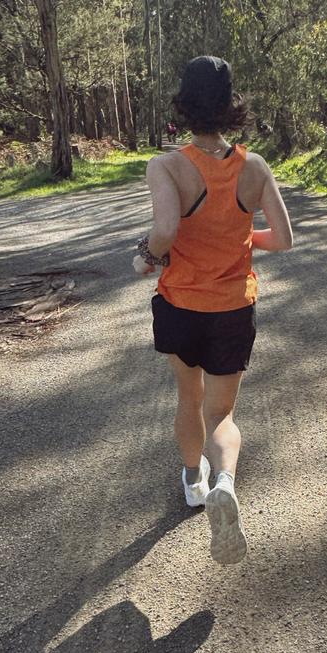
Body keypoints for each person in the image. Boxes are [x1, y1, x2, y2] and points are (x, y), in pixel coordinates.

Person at [134, 56, 293, 565]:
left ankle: (191, 482)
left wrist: (146, 256)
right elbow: (284, 240)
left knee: (189, 396)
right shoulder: (254, 166)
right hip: (231, 308)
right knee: (221, 412)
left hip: (181, 304)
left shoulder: (167, 166)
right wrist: (242, 238)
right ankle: (224, 479)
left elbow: (165, 232)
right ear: (231, 108)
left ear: (183, 106)